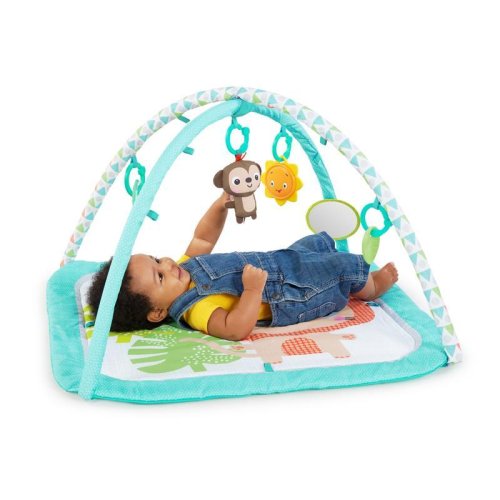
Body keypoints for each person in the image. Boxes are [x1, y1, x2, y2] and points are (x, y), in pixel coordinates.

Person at [87, 193, 398, 341]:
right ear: (156, 313)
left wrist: (220, 205)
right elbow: (235, 328)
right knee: (334, 269)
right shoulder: (196, 310)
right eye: (159, 276)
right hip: (293, 294)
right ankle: (370, 287)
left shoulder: (183, 270)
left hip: (279, 262)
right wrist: (251, 291)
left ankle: (334, 263)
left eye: (157, 259)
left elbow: (202, 238)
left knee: (310, 246)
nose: (167, 265)